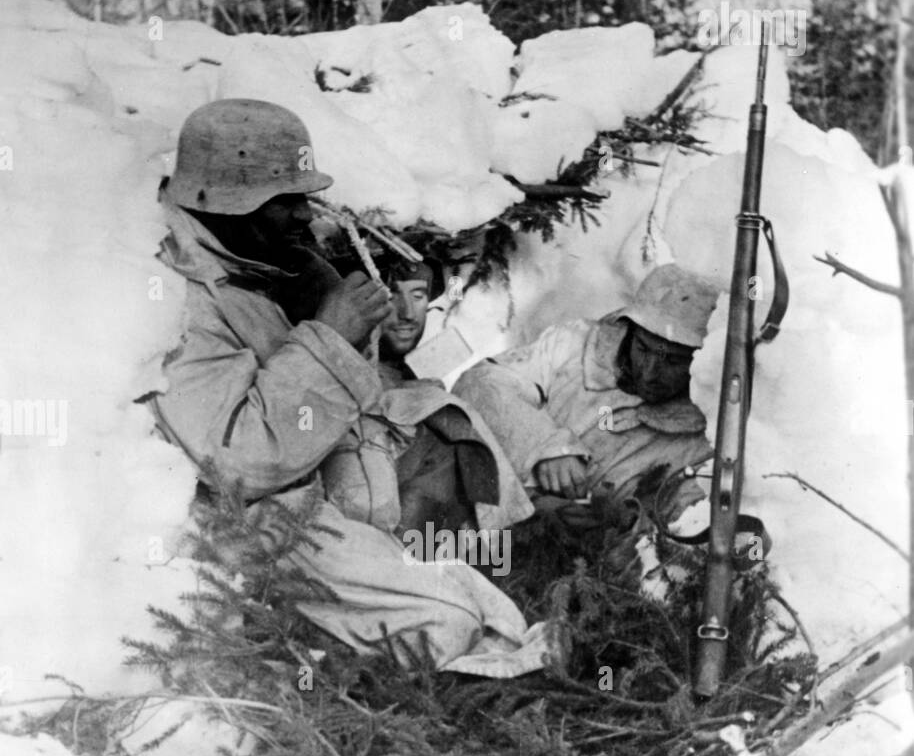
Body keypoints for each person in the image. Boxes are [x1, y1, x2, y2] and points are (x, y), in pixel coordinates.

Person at [142, 98, 545, 676]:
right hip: (250, 526)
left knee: (496, 614)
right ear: (231, 199)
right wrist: (330, 335)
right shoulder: (178, 294)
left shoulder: (243, 255)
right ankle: (305, 673)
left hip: (308, 490)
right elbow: (241, 465)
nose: (306, 215)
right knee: (449, 622)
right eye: (287, 201)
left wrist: (314, 295)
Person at [451, 265, 720, 523]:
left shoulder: (704, 437)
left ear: (700, 360)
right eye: (643, 349)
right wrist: (545, 447)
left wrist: (616, 519)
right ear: (630, 331)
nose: (650, 372)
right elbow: (480, 382)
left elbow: (684, 526)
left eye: (672, 362)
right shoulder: (571, 346)